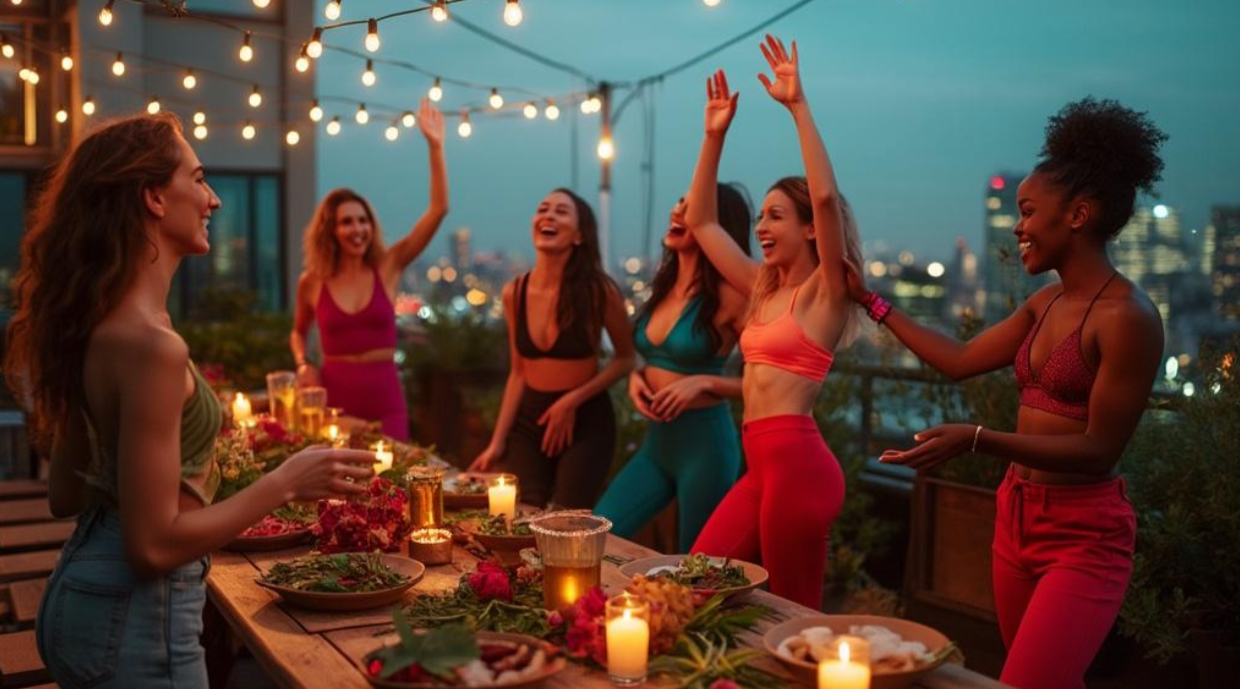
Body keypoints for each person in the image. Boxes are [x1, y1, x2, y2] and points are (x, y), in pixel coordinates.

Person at [3, 113, 375, 689]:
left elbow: (67, 495)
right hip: (134, 617)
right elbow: (152, 546)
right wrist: (288, 482)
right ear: (153, 197)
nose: (214, 200)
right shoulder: (154, 345)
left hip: (79, 592)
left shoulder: (99, 326)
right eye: (198, 180)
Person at [846, 97, 1167, 689]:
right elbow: (961, 361)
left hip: (1084, 538)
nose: (1017, 227)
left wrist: (974, 439)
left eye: (1027, 212)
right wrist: (870, 301)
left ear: (1078, 215)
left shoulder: (1128, 316)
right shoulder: (1042, 304)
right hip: (1015, 518)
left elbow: (1099, 449)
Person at [684, 36, 865, 609]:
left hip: (799, 469)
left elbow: (828, 195)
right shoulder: (762, 288)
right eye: (760, 215)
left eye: (777, 216)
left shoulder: (826, 291)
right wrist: (713, 136)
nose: (762, 225)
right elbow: (702, 223)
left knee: (793, 610)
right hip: (760, 464)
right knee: (696, 583)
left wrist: (797, 106)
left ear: (810, 228)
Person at [594, 187, 751, 549]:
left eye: (691, 208)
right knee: (597, 537)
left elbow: (767, 382)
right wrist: (637, 376)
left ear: (716, 224)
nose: (677, 210)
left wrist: (702, 382)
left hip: (706, 447)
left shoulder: (733, 295)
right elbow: (645, 357)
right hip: (657, 446)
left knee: (695, 568)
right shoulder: (663, 286)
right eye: (678, 201)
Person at [291, 99, 448, 440]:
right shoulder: (312, 282)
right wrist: (304, 364)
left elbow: (438, 210)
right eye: (347, 222)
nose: (357, 229)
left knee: (394, 484)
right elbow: (298, 332)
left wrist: (435, 147)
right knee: (342, 491)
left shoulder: (388, 266)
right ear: (330, 230)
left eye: (363, 220)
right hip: (336, 405)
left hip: (386, 401)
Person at [469, 188, 635, 508]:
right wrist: (497, 442)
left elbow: (625, 359)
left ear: (579, 235)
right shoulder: (513, 293)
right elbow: (518, 373)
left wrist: (571, 401)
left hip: (586, 419)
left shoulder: (599, 291)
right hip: (530, 421)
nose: (548, 215)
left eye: (561, 211)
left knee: (567, 520)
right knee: (521, 515)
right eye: (543, 208)